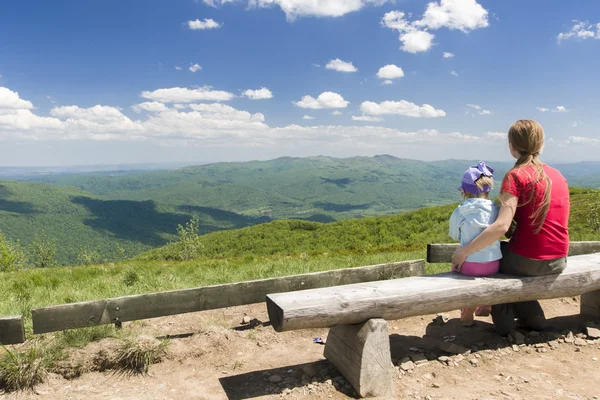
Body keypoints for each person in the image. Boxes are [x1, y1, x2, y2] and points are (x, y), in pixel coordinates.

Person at [451, 120, 570, 338]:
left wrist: (463, 251)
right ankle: (533, 317)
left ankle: (505, 324)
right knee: (512, 263)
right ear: (541, 144)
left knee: (493, 260)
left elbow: (501, 226)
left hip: (529, 260)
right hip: (559, 260)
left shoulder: (515, 176)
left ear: (511, 146)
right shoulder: (558, 176)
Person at [449, 161, 502, 326]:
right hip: (494, 264)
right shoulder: (497, 209)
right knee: (485, 273)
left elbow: (453, 235)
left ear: (464, 191)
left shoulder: (461, 210)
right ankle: (485, 303)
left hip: (469, 265)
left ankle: (467, 309)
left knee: (456, 268)